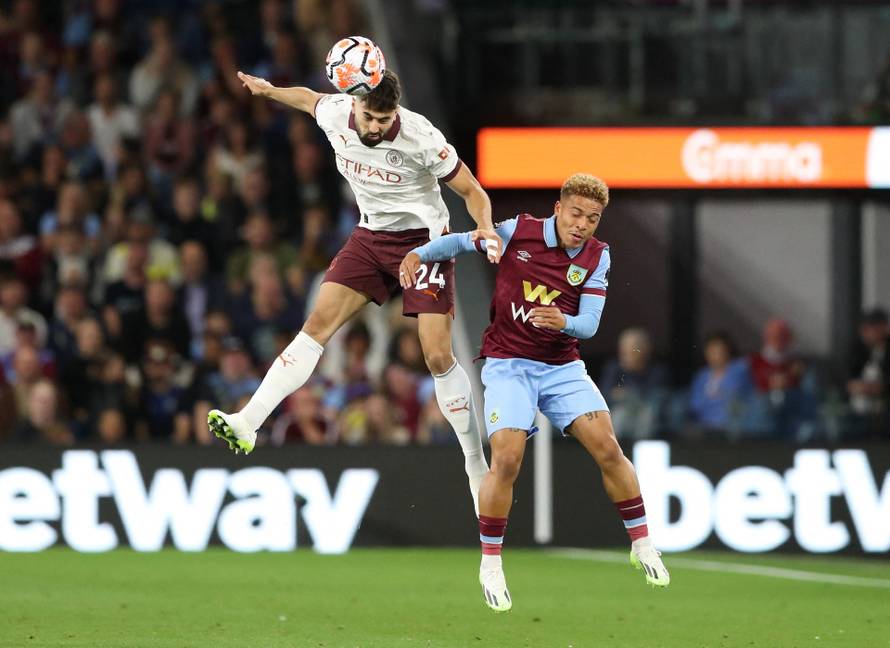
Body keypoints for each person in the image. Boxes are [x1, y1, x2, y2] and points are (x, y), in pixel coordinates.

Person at [208, 64, 502, 515]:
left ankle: (474, 463)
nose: (375, 127)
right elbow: (308, 98)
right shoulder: (336, 112)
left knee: (436, 356)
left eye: (384, 120)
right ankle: (248, 421)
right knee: (316, 325)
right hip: (370, 238)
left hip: (424, 242)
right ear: (356, 104)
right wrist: (268, 91)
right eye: (369, 117)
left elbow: (473, 190)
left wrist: (485, 228)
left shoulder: (422, 136)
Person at [400, 173, 669, 612]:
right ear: (558, 208)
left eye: (593, 219)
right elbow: (462, 242)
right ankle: (491, 563)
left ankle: (642, 544)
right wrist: (419, 253)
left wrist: (564, 323)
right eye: (576, 214)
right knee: (506, 459)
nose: (582, 225)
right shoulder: (517, 232)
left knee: (608, 448)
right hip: (509, 365)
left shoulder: (597, 255)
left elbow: (589, 324)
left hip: (562, 368)